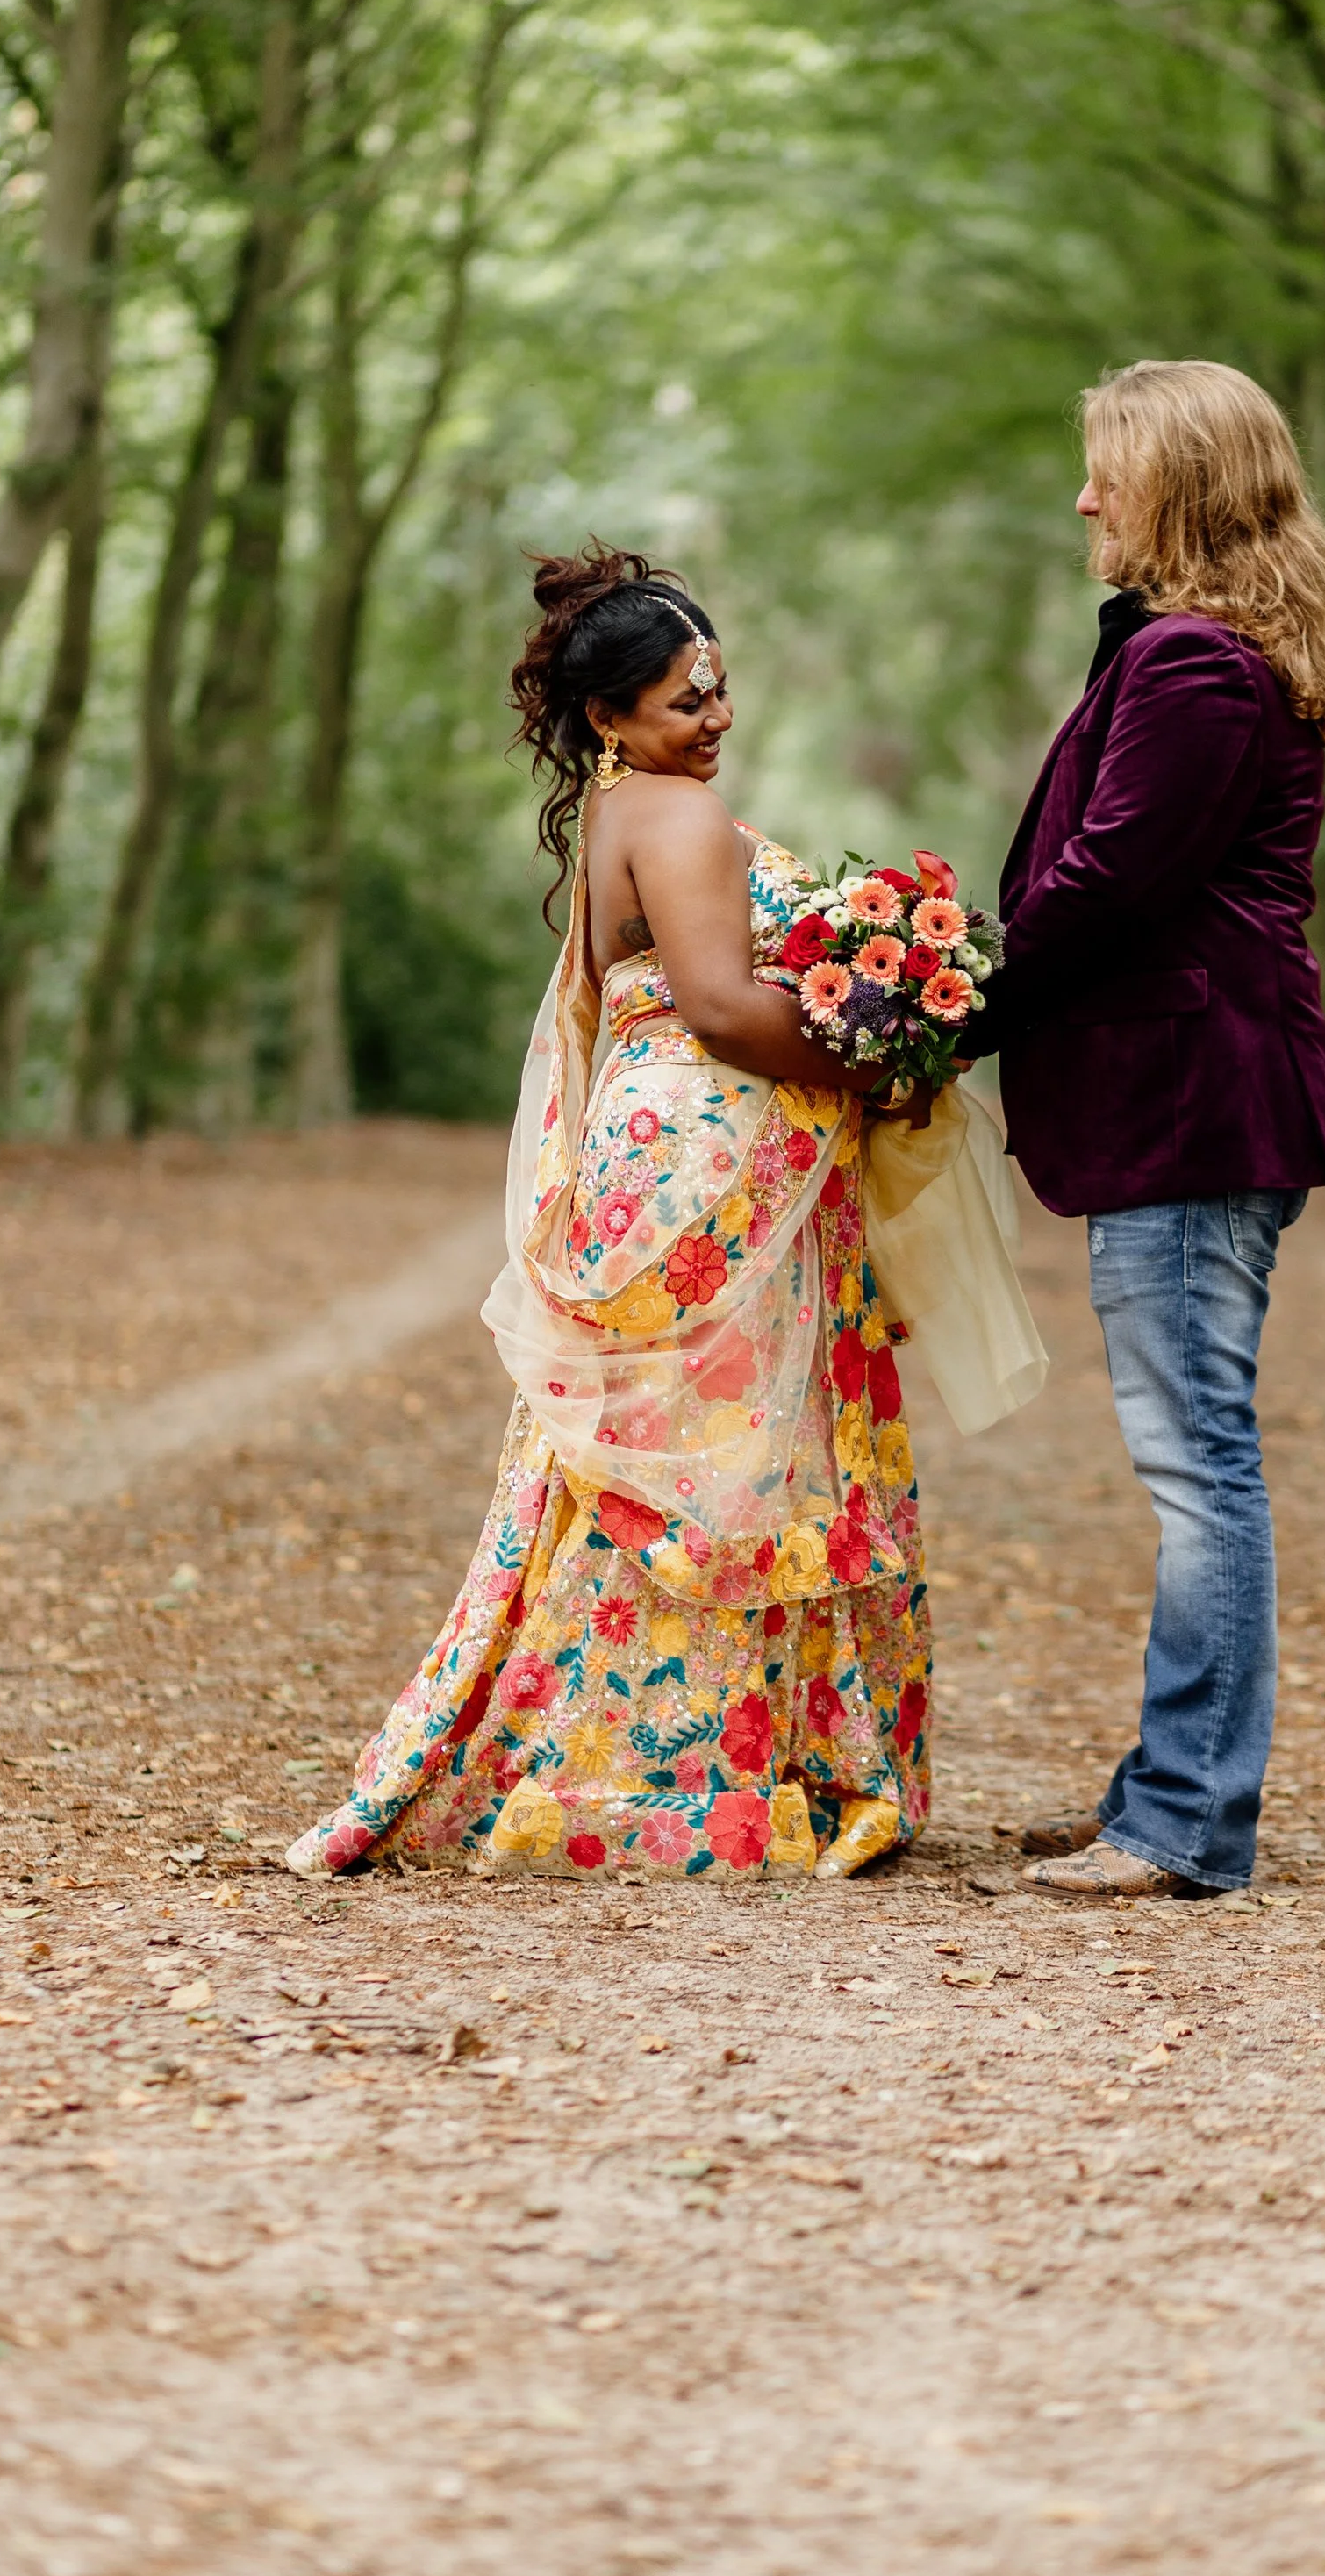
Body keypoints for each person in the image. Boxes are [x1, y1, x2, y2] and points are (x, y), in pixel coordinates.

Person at [285, 548, 933, 1885]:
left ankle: (602, 1761)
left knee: (653, 1448)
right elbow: (718, 1005)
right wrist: (893, 1054)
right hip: (704, 1164)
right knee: (717, 1453)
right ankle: (687, 1778)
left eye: (721, 690)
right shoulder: (680, 821)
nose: (717, 718)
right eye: (688, 699)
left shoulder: (624, 815)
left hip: (660, 1151)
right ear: (610, 718)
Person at [968, 359, 1325, 1900]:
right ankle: (1167, 1786)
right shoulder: (1200, 652)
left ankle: (1186, 1820)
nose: (1084, 497)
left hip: (1199, 1103)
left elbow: (1108, 882)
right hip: (1196, 1103)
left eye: (1106, 470)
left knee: (1197, 1461)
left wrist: (946, 1014)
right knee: (1191, 1452)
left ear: (1179, 484)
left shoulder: (1199, 664)